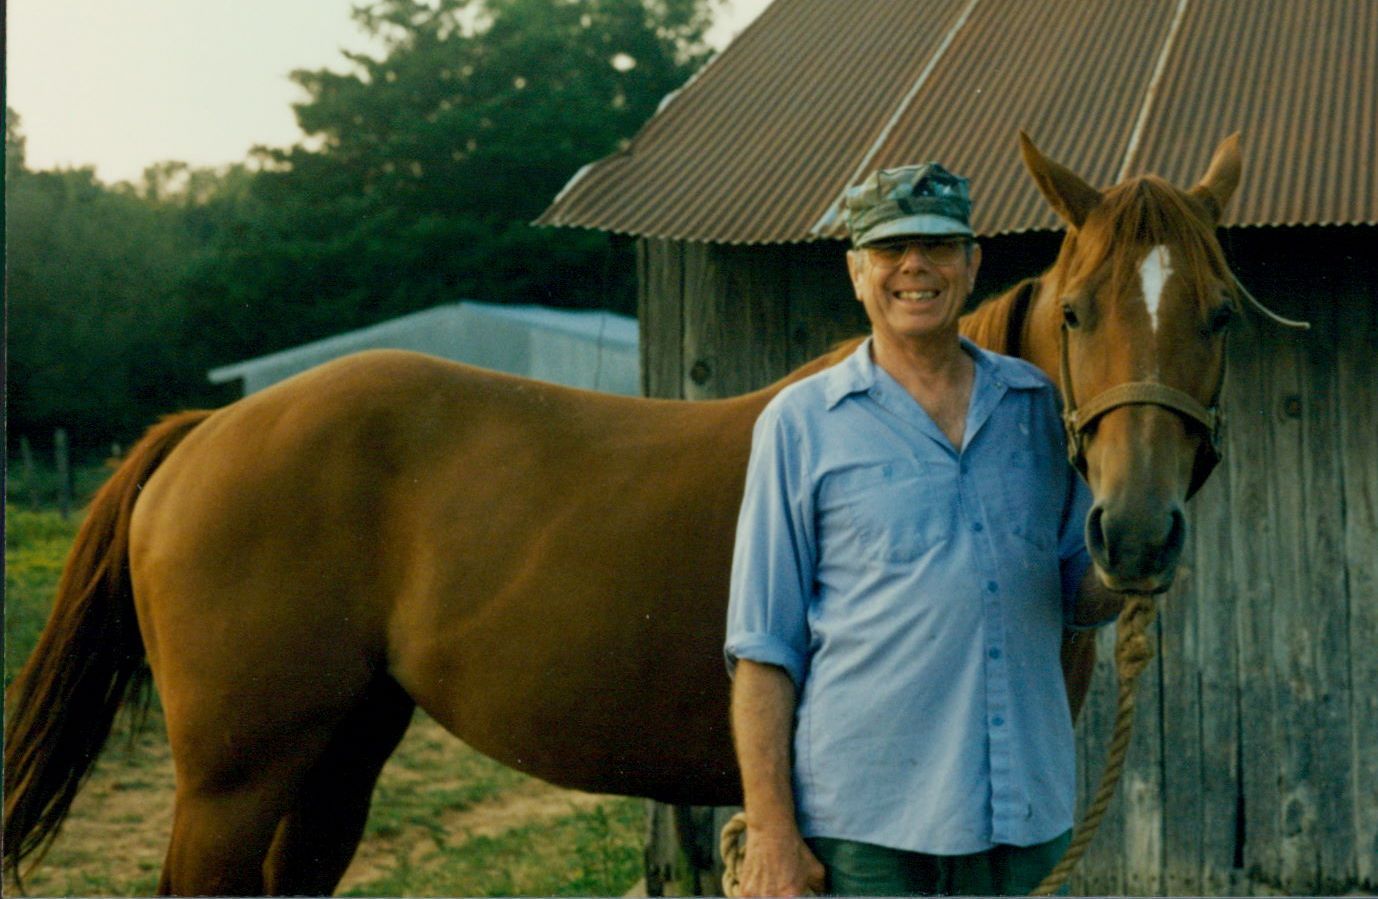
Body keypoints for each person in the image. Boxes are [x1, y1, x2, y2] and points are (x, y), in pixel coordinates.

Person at [724, 163, 1125, 896]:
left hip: (1024, 821)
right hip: (867, 833)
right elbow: (762, 648)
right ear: (857, 273)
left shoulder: (1039, 409)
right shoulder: (801, 424)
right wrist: (773, 831)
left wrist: (1130, 560)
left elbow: (1080, 598)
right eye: (890, 248)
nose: (915, 265)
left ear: (971, 265)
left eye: (939, 246)